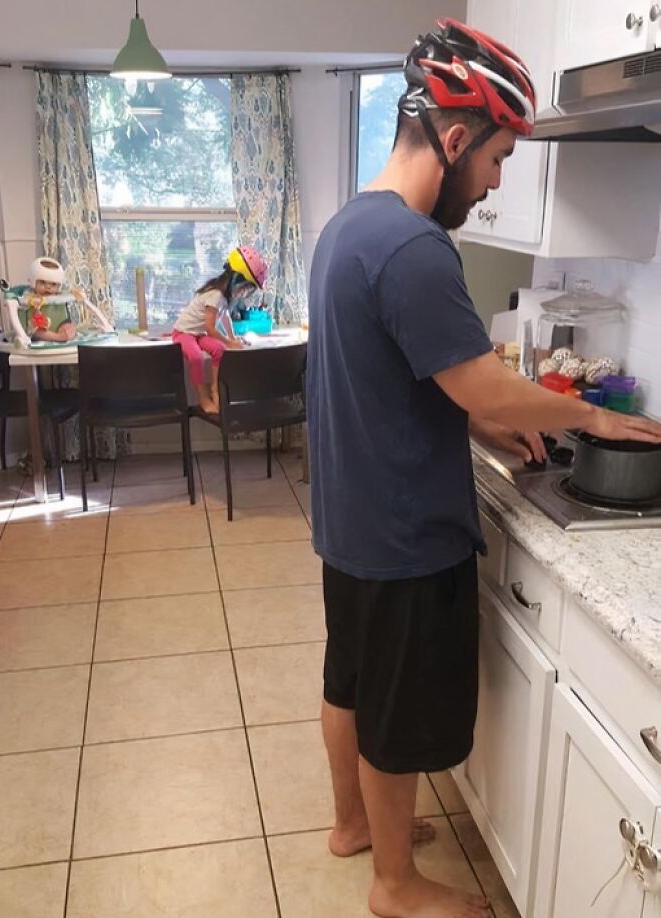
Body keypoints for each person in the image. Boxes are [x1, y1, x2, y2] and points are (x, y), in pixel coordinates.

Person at [306, 17, 661, 918]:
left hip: (350, 520)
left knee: (349, 678)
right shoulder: (417, 246)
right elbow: (482, 385)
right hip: (400, 532)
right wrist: (591, 416)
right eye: (498, 158)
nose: (497, 179)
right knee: (392, 712)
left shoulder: (351, 225)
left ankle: (353, 826)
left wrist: (480, 422)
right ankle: (393, 886)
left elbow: (404, 382)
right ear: (455, 139)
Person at [172, 246, 267, 413]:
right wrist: (230, 342)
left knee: (219, 350)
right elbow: (210, 328)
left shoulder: (224, 298)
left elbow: (225, 318)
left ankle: (215, 388)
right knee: (196, 357)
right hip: (184, 332)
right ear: (236, 280)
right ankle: (202, 397)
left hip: (198, 334)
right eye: (245, 287)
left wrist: (233, 338)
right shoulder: (215, 295)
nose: (244, 293)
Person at [17, 257, 78, 343]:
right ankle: (58, 337)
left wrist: (68, 327)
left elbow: (65, 317)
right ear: (33, 282)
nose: (48, 287)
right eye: (42, 282)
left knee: (69, 327)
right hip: (35, 328)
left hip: (59, 324)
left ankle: (63, 335)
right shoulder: (28, 296)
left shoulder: (60, 297)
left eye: (53, 284)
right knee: (36, 331)